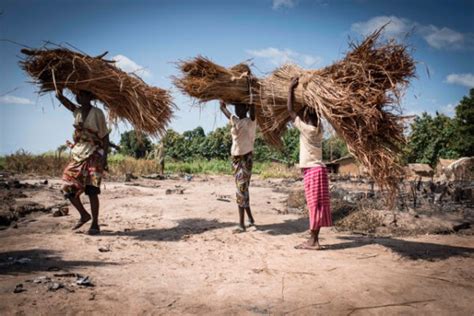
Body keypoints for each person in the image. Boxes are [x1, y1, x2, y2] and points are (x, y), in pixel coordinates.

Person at [287, 77, 332, 249]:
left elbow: (290, 110)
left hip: (313, 172)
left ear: (307, 117)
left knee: (314, 205)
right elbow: (316, 116)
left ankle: (313, 241)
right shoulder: (320, 129)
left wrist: (291, 89)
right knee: (318, 205)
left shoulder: (307, 129)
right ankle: (314, 240)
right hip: (320, 170)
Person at [56, 89, 109, 235]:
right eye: (77, 95)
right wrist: (58, 93)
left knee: (92, 190)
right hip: (78, 154)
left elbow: (105, 137)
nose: (78, 97)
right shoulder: (77, 111)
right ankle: (84, 215)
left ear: (89, 96)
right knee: (67, 187)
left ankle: (95, 224)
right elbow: (67, 103)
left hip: (94, 154)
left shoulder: (97, 113)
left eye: (82, 95)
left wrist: (104, 159)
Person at [220, 100, 257, 233]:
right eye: (236, 107)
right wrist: (222, 103)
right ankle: (251, 219)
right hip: (236, 159)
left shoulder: (250, 121)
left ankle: (241, 225)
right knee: (243, 190)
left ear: (246, 108)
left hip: (245, 158)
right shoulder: (235, 121)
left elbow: (253, 110)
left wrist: (251, 101)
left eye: (240, 107)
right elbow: (225, 111)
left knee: (241, 190)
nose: (237, 110)